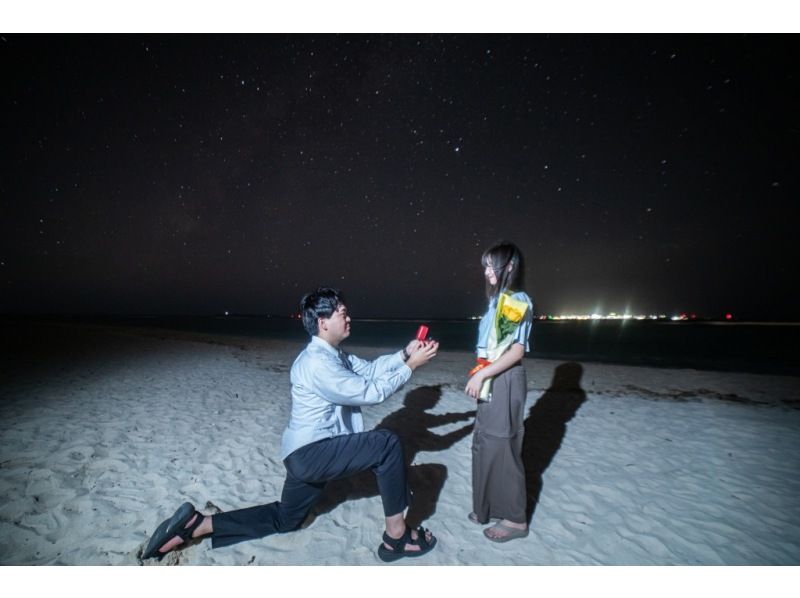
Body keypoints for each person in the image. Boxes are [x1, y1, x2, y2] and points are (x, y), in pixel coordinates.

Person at [142, 287, 439, 562]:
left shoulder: (332, 355)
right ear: (323, 321)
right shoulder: (317, 363)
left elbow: (372, 371)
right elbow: (370, 393)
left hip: (302, 456)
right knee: (385, 443)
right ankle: (396, 538)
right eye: (342, 313)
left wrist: (403, 355)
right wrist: (411, 367)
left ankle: (197, 525)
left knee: (286, 519)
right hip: (313, 454)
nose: (349, 318)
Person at [464, 241, 533, 542]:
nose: (486, 270)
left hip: (504, 379)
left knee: (503, 446)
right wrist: (480, 373)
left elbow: (515, 352)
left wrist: (483, 376)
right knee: (484, 442)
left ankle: (516, 520)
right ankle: (487, 507)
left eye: (492, 264)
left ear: (510, 267)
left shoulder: (516, 300)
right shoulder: (496, 302)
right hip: (492, 376)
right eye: (485, 265)